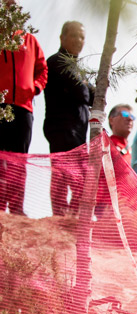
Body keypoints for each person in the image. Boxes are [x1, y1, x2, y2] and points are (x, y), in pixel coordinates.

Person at [0, 2, 46, 214]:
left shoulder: (30, 40)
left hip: (23, 108)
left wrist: (34, 88)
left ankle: (16, 207)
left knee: (20, 160)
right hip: (1, 108)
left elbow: (42, 69)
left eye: (15, 7)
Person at [43, 21, 93, 215]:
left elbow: (90, 94)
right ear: (62, 38)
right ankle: (60, 217)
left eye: (82, 37)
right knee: (65, 177)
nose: (79, 41)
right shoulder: (57, 61)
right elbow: (83, 93)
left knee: (79, 178)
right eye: (74, 35)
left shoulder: (76, 67)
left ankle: (72, 217)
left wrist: (87, 89)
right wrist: (86, 88)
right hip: (62, 129)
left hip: (78, 132)